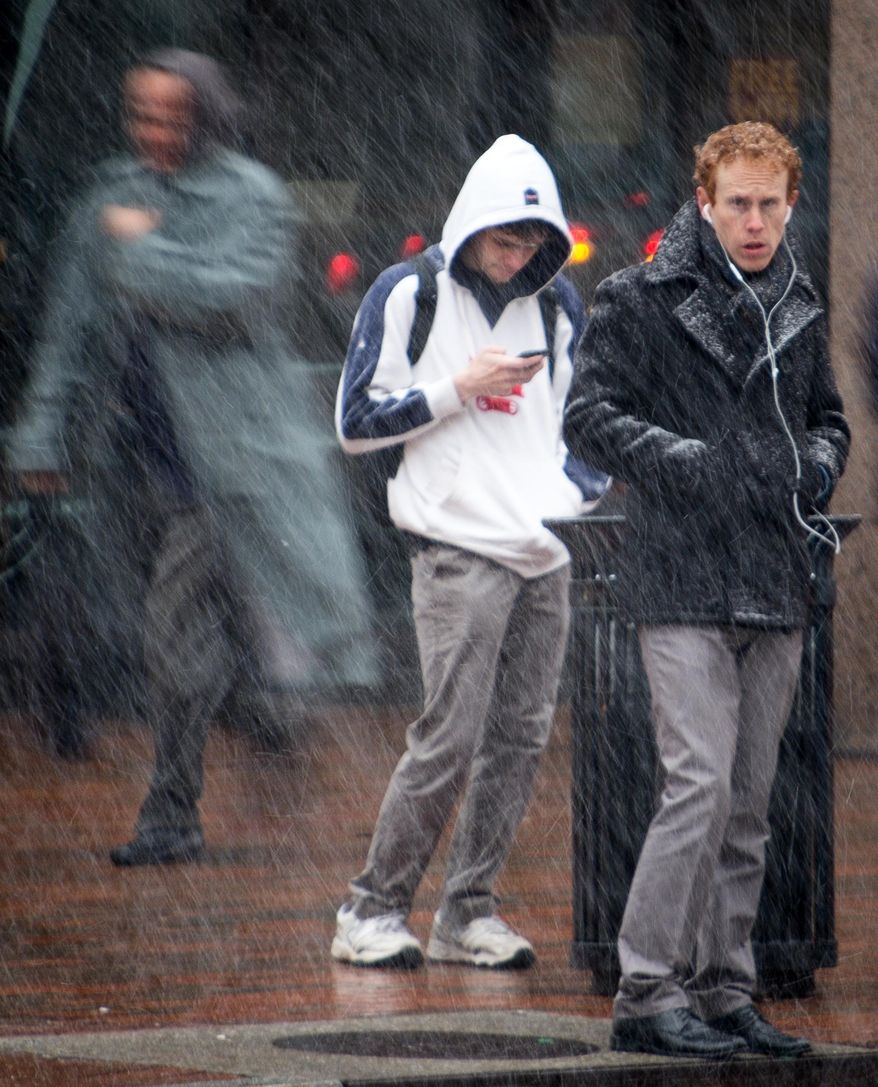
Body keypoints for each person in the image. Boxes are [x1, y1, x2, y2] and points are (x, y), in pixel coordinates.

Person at [7, 49, 373, 865]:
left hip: (232, 463)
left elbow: (234, 299)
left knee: (176, 638)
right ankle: (272, 712)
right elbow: (70, 327)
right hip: (135, 461)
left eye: (172, 116)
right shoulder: (112, 195)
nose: (154, 132)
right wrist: (41, 432)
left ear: (206, 117)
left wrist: (142, 252)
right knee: (206, 625)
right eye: (142, 114)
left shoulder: (251, 198)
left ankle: (171, 812)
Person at [563, 121, 850, 1058]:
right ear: (704, 202)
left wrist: (812, 463)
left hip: (774, 571)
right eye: (739, 203)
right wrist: (689, 463)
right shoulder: (637, 298)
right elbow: (589, 417)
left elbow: (830, 420)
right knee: (698, 785)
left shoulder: (801, 299)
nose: (756, 220)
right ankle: (648, 987)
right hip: (680, 571)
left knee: (750, 800)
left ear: (790, 203)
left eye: (771, 203)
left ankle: (725, 988)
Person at [332, 133, 607, 970]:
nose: (516, 252)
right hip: (454, 546)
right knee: (448, 734)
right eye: (503, 234)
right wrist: (459, 390)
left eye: (532, 239)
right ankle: (370, 906)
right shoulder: (408, 292)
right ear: (472, 222)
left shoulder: (560, 305)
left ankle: (467, 909)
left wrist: (569, 497)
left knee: (521, 738)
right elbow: (354, 424)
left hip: (545, 550)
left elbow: (584, 423)